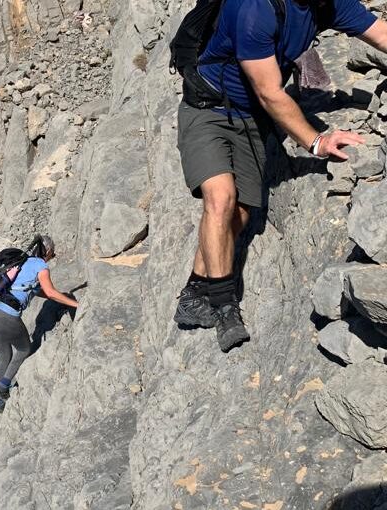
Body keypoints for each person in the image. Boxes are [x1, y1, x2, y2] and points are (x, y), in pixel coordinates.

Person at [173, 0, 387, 352]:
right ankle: (226, 310)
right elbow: (270, 93)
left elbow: (379, 34)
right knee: (220, 198)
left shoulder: (326, 5)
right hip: (208, 108)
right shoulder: (254, 9)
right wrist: (316, 141)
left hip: (251, 120)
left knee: (238, 213)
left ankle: (195, 291)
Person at [0, 235, 78, 412]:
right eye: (52, 254)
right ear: (48, 251)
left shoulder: (22, 262)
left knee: (4, 356)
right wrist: (75, 304)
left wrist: (58, 298)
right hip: (6, 315)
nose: (52, 257)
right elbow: (49, 291)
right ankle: (3, 387)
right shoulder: (40, 265)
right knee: (24, 349)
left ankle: (0, 400)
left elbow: (37, 291)